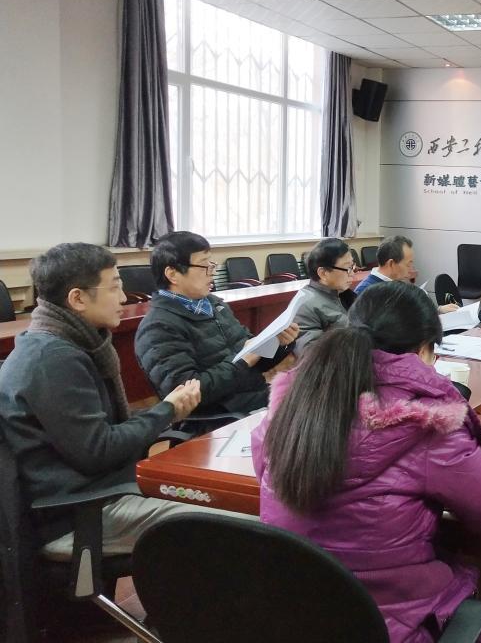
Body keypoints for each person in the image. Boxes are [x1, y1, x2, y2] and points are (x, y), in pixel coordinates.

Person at [252, 281, 481, 643]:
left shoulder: (292, 399)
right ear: (424, 350)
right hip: (390, 634)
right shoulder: (427, 420)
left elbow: (263, 467)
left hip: (295, 624)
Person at [0, 243, 243, 559]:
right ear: (78, 299)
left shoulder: (64, 344)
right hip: (79, 512)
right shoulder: (52, 360)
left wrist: (164, 411)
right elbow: (99, 451)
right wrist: (167, 410)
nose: (124, 298)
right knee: (239, 524)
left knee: (229, 503)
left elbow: (100, 436)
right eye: (114, 287)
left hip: (104, 490)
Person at [135, 231, 298, 416]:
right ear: (173, 274)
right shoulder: (158, 327)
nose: (212, 272)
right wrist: (243, 361)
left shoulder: (214, 305)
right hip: (220, 416)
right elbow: (186, 394)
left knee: (312, 396)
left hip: (252, 398)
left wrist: (279, 343)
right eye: (204, 266)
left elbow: (254, 360)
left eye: (211, 264)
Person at [293, 238, 354, 355]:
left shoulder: (344, 294)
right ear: (323, 273)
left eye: (352, 266)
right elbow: (310, 356)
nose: (352, 273)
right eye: (348, 268)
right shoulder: (305, 306)